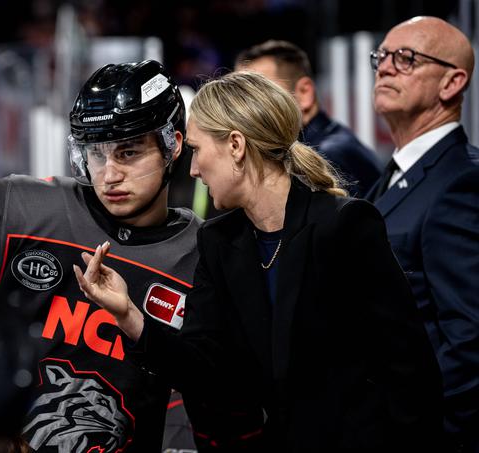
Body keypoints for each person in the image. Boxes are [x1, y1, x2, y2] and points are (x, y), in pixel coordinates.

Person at [75, 71, 444, 452]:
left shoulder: (344, 225)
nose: (194, 170)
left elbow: (409, 372)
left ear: (235, 145)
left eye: (198, 150)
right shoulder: (219, 241)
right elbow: (206, 369)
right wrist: (129, 317)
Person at [0, 60, 202, 452]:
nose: (109, 175)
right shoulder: (17, 208)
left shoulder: (204, 256)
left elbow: (200, 396)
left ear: (172, 145)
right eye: (96, 153)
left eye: (128, 152)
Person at [366, 16, 479, 453]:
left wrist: (411, 426)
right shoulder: (394, 176)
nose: (386, 67)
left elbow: (470, 341)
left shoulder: (461, 184)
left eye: (406, 58)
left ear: (452, 82)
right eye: (383, 56)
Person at [235, 40, 382, 198]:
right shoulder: (322, 147)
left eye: (258, 93)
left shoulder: (327, 156)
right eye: (239, 97)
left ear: (304, 93)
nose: (243, 109)